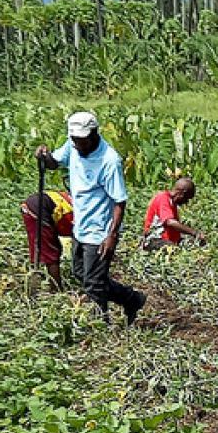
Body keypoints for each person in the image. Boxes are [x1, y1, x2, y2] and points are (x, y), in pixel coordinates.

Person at [38, 110, 145, 325]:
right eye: (75, 140)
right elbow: (55, 163)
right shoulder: (73, 146)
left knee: (94, 284)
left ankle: (99, 326)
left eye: (82, 141)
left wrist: (111, 236)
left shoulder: (109, 161)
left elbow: (119, 202)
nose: (78, 145)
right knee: (81, 274)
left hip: (100, 231)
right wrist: (44, 156)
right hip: (81, 226)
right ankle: (132, 298)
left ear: (94, 133)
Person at [19, 185, 74, 290]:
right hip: (38, 208)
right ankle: (56, 289)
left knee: (42, 246)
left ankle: (41, 280)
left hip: (34, 205)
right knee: (50, 251)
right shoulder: (74, 214)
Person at [140, 176, 208, 250]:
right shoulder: (163, 198)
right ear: (182, 193)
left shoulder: (172, 203)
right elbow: (170, 222)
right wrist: (194, 233)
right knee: (174, 250)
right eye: (187, 198)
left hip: (167, 241)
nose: (186, 202)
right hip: (154, 240)